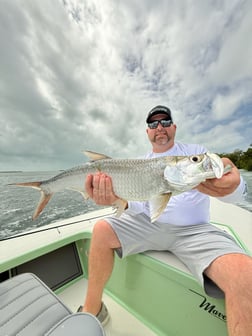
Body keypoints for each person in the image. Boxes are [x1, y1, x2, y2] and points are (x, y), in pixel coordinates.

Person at [78, 105, 252, 336]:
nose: (160, 127)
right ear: (147, 132)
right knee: (101, 228)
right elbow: (140, 206)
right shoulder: (139, 163)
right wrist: (118, 200)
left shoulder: (197, 153)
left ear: (174, 127)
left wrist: (234, 186)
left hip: (195, 231)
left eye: (165, 121)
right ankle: (93, 309)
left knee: (246, 276)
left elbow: (236, 193)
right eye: (153, 124)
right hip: (150, 225)